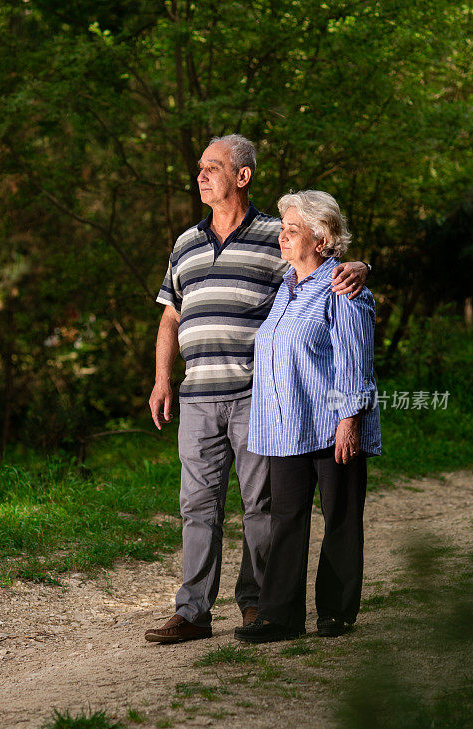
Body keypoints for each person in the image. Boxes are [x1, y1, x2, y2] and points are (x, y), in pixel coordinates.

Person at [144, 136, 370, 644]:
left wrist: (361, 267)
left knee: (263, 507)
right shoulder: (185, 243)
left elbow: (327, 262)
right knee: (198, 506)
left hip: (258, 399)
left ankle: (258, 604)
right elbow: (170, 316)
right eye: (199, 167)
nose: (200, 175)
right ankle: (196, 611)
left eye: (213, 167)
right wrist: (162, 379)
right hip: (198, 395)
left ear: (242, 177)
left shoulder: (277, 235)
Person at [234, 190, 381, 645]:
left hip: (333, 425)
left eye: (292, 230)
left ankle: (335, 613)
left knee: (340, 517)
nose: (282, 236)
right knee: (286, 520)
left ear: (322, 239)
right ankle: (280, 617)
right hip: (287, 428)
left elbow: (354, 360)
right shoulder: (286, 288)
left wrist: (350, 420)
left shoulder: (342, 287)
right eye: (283, 228)